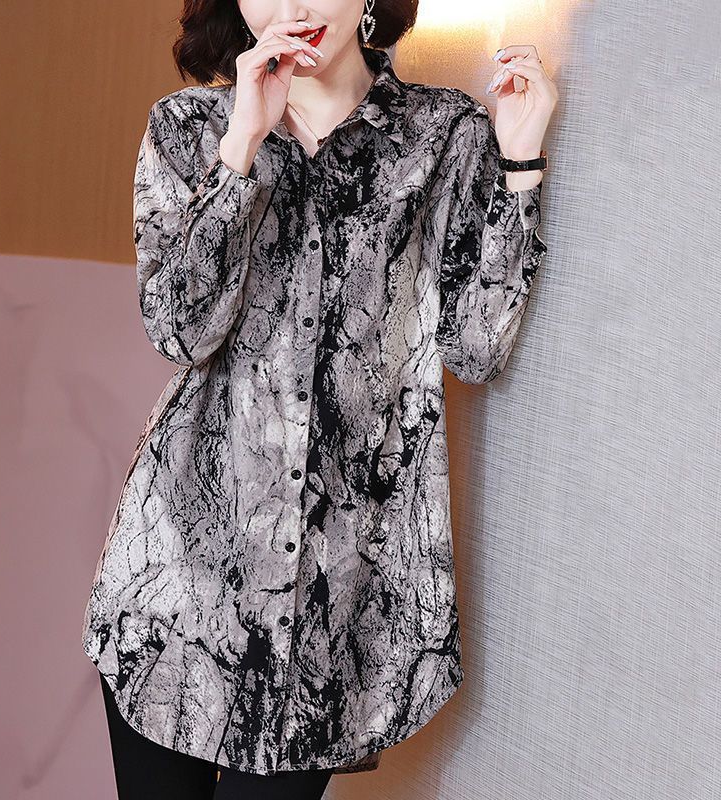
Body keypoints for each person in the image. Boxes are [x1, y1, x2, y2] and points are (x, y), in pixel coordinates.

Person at [82, 1, 558, 797]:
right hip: (177, 581)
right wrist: (242, 143)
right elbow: (180, 332)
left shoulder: (443, 135)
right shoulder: (189, 128)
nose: (293, 8)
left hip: (334, 601)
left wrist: (520, 164)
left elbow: (475, 349)